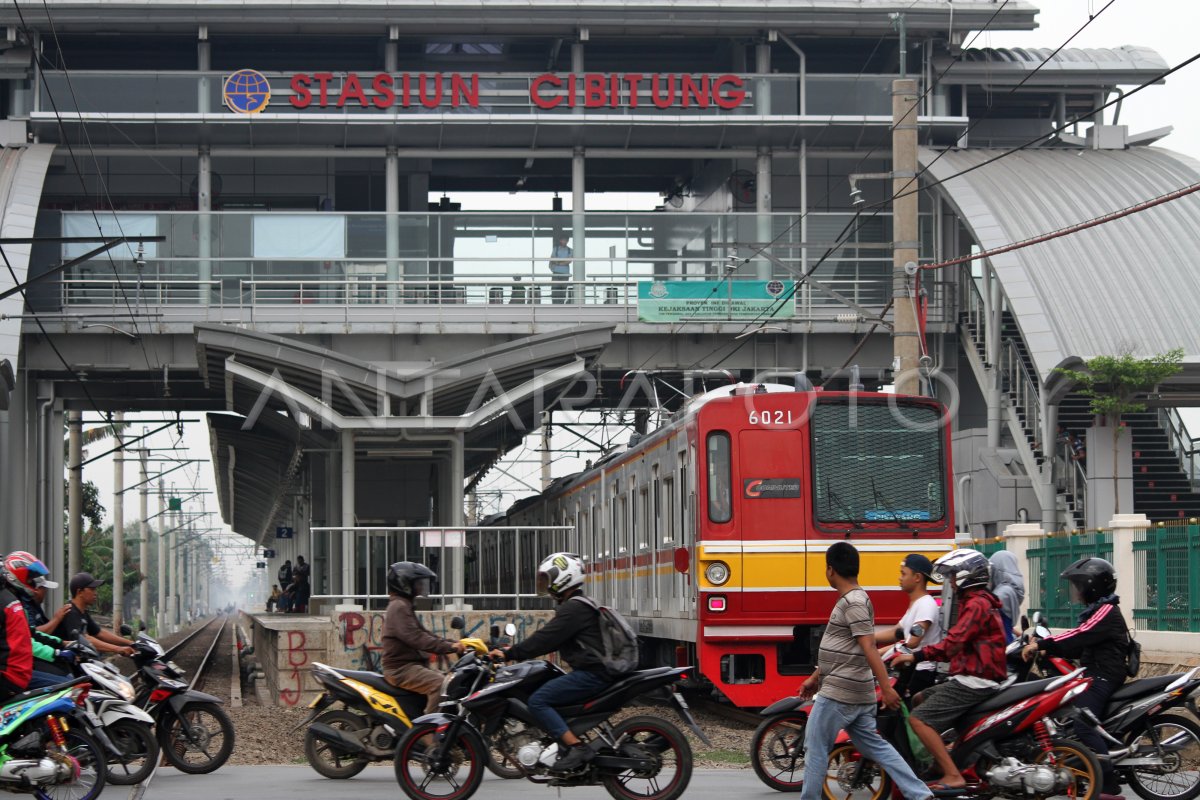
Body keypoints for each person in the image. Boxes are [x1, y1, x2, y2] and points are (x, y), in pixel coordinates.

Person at [798, 543, 933, 800]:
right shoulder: (854, 599)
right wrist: (816, 678)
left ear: (830, 570)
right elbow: (845, 646)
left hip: (841, 693)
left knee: (815, 748)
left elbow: (868, 645)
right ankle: (919, 793)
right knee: (876, 747)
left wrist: (886, 688)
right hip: (853, 691)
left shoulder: (854, 601)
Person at [489, 552, 615, 775]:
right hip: (595, 671)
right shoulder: (578, 605)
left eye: (548, 579)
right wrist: (515, 651)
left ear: (564, 578)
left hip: (593, 674)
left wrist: (512, 653)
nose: (546, 585)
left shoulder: (574, 609)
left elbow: (546, 639)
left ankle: (576, 748)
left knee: (538, 701)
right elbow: (549, 638)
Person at [893, 549, 1007, 792]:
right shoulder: (977, 601)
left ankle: (953, 774)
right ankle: (941, 759)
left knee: (918, 719)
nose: (951, 582)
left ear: (967, 576)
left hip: (976, 680)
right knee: (920, 698)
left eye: (954, 577)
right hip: (970, 676)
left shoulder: (976, 604)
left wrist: (916, 656)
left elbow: (953, 643)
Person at [1023, 557, 1129, 800]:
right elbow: (1077, 646)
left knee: (1083, 722)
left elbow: (1080, 635)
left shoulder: (1106, 611)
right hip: (1095, 672)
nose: (1076, 591)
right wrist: (1047, 649)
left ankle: (1108, 785)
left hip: (1103, 675)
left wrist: (1042, 643)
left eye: (1078, 585)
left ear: (1092, 585)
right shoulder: (1098, 610)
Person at [380, 561, 464, 714]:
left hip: (411, 666)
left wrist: (453, 643)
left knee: (449, 680)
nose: (421, 587)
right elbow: (417, 638)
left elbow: (425, 634)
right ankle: (428, 731)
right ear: (404, 584)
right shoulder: (399, 606)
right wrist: (449, 647)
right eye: (417, 583)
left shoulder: (403, 605)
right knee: (440, 685)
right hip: (401, 669)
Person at [874, 553, 944, 698]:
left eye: (903, 574)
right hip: (910, 668)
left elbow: (912, 641)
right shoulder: (917, 604)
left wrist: (880, 652)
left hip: (921, 671)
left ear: (917, 578)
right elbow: (896, 631)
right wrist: (867, 639)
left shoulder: (925, 604)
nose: (900, 578)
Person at [1, 553, 77, 685]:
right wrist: (55, 653)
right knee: (65, 687)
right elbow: (24, 641)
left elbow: (30, 633)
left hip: (17, 669)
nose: (34, 585)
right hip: (10, 672)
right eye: (30, 579)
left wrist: (61, 643)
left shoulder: (17, 602)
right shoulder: (9, 603)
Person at [48, 573, 137, 656]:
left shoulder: (82, 612)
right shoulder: (70, 612)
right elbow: (85, 639)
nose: (96, 593)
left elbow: (100, 633)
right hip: (64, 662)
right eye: (92, 589)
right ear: (80, 592)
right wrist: (118, 649)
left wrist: (131, 643)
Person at [990, 550, 1025, 643]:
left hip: (1001, 644)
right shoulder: (1008, 590)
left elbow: (999, 623)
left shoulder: (1003, 593)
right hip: (1005, 641)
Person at [548, 236, 571, 304]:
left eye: (565, 240)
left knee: (563, 290)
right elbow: (553, 259)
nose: (564, 241)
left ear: (567, 241)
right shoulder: (556, 249)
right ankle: (554, 304)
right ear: (560, 240)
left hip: (565, 273)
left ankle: (561, 304)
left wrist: (558, 263)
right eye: (563, 240)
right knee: (555, 289)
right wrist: (563, 262)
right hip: (556, 272)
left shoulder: (570, 250)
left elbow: (569, 261)